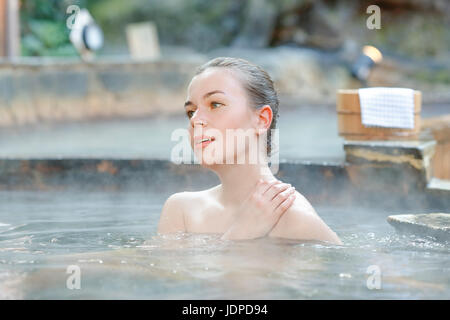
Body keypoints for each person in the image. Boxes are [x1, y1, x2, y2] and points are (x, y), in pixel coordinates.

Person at [157, 57, 342, 245]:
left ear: (261, 119)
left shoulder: (294, 219)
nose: (195, 120)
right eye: (191, 111)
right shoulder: (181, 210)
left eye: (215, 104)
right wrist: (239, 234)